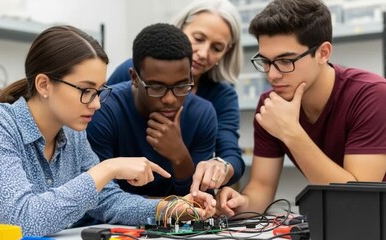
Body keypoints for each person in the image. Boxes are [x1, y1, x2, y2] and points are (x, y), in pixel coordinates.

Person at [0, 25, 216, 237]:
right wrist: (108, 168)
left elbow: (107, 200)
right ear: (44, 84)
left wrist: (170, 209)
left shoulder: (72, 132)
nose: (95, 103)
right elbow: (24, 221)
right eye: (85, 91)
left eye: (100, 91)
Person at [216, 0, 386, 217]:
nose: (272, 75)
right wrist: (240, 203)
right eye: (265, 61)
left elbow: (358, 201)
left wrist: (290, 132)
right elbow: (261, 188)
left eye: (285, 61)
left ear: (323, 53)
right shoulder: (272, 104)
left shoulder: (372, 96)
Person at [107, 0, 245, 193]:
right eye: (198, 38)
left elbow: (231, 154)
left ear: (227, 52)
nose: (203, 53)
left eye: (217, 48)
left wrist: (220, 166)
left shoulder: (218, 98)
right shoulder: (135, 74)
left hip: (180, 198)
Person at [86, 23, 217, 197]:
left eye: (181, 85)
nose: (170, 99)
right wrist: (163, 207)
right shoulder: (102, 110)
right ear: (134, 78)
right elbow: (99, 197)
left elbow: (198, 201)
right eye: (156, 87)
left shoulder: (202, 114)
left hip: (172, 221)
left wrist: (180, 157)